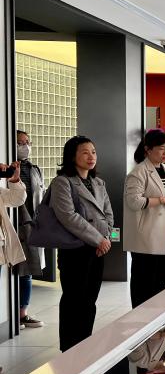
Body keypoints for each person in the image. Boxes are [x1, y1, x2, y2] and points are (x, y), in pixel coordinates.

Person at [51, 136, 114, 352]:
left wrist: (107, 238)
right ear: (72, 156)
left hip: (98, 249)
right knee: (73, 300)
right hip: (74, 249)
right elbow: (68, 217)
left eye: (93, 152)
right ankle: (69, 349)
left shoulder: (99, 183)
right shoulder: (63, 182)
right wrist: (99, 239)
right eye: (85, 152)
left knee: (89, 299)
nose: (91, 157)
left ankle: (85, 344)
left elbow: (108, 213)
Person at [123, 129, 165, 308]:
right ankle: (141, 317)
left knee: (160, 280)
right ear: (147, 149)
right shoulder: (138, 172)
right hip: (146, 235)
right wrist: (160, 200)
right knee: (144, 282)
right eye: (161, 148)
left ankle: (157, 316)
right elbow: (133, 201)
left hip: (164, 233)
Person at [13, 130, 44, 328]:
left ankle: (22, 313)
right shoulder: (7, 168)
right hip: (13, 224)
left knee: (27, 271)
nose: (25, 146)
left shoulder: (34, 169)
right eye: (20, 142)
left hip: (31, 225)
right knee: (13, 271)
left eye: (27, 142)